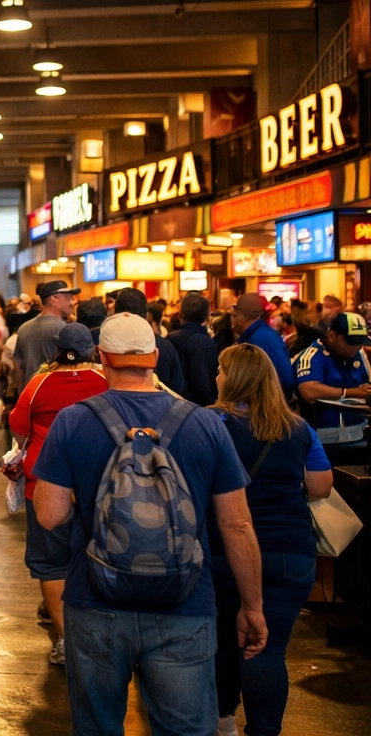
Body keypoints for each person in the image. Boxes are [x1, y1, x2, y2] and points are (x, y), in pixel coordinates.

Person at [32, 312, 266, 736]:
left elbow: (49, 514)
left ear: (102, 358)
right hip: (184, 602)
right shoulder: (205, 423)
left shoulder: (73, 420)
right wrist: (252, 607)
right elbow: (236, 526)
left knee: (98, 727)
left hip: (96, 601)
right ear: (155, 357)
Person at [210, 343, 334, 736]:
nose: (216, 376)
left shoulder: (211, 424)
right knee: (268, 649)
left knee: (226, 644)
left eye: (220, 370)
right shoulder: (299, 428)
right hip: (291, 555)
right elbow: (321, 486)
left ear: (234, 379)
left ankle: (223, 721)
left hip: (228, 554)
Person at [6, 323, 107, 666]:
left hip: (45, 486)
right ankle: (101, 634)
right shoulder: (106, 380)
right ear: (92, 348)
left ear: (57, 348)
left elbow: (19, 428)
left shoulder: (38, 384)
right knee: (101, 558)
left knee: (51, 565)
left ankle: (66, 640)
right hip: (99, 486)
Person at [292, 309, 371, 461]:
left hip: (360, 440)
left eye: (360, 343)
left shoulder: (360, 354)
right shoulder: (312, 355)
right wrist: (350, 392)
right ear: (332, 336)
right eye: (350, 342)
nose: (355, 348)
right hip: (322, 444)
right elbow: (309, 390)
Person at [14, 281, 77, 390]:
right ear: (53, 299)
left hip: (31, 394)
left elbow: (18, 367)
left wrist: (22, 393)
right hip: (57, 393)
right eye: (68, 298)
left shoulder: (24, 328)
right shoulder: (65, 330)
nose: (72, 302)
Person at [233, 292, 295, 398]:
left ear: (240, 315)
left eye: (234, 315)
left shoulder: (264, 339)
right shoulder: (257, 335)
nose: (233, 320)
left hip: (266, 409)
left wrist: (272, 405)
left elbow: (286, 380)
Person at [169, 293, 221, 406]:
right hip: (198, 407)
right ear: (207, 318)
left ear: (180, 315)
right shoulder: (207, 344)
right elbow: (206, 384)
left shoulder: (169, 340)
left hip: (171, 404)